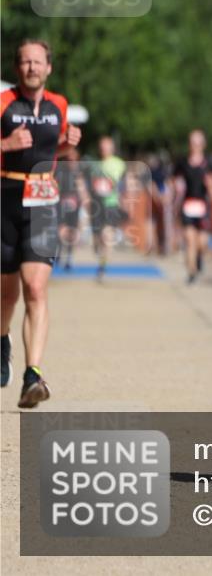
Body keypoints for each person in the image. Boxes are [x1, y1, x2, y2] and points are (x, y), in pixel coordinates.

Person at [1, 39, 82, 407]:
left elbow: (52, 151)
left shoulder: (58, 105)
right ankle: (2, 340)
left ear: (49, 67)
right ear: (17, 68)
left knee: (35, 288)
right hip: (5, 200)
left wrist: (67, 144)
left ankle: (32, 374)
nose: (31, 68)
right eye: (25, 62)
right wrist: (5, 145)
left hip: (43, 203)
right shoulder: (3, 103)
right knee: (6, 295)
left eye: (37, 62)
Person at [173, 129, 212, 284]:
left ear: (203, 144)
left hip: (203, 206)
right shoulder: (183, 162)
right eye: (193, 143)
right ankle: (191, 271)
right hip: (187, 205)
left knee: (202, 243)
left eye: (198, 143)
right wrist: (175, 187)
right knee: (190, 239)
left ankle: (199, 257)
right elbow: (173, 178)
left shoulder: (209, 163)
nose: (195, 146)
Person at [85, 135, 128, 281]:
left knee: (107, 235)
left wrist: (124, 199)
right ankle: (100, 255)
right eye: (102, 145)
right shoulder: (95, 165)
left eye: (106, 145)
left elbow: (120, 182)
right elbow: (89, 184)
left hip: (111, 204)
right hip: (96, 205)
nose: (103, 148)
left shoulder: (118, 163)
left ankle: (102, 267)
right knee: (97, 239)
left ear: (112, 147)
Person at [54, 147, 84, 270]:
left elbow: (82, 190)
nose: (71, 160)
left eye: (73, 158)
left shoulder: (79, 172)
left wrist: (85, 202)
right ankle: (59, 252)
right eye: (69, 158)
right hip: (62, 205)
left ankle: (69, 256)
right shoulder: (60, 170)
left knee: (72, 231)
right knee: (61, 229)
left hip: (75, 206)